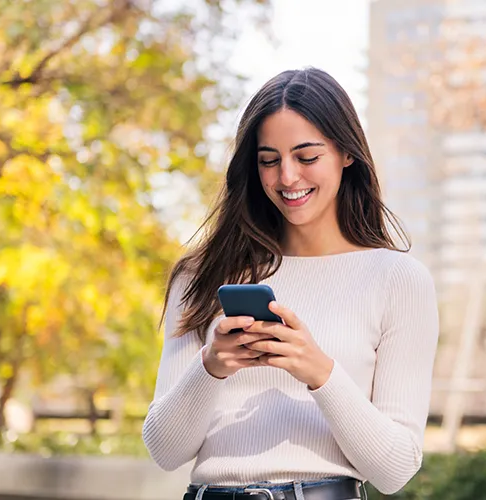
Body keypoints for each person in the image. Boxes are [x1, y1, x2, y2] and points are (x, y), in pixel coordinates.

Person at [142, 67, 439, 500]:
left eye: (307, 157)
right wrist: (211, 366)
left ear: (347, 153)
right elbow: (165, 451)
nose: (286, 178)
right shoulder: (201, 276)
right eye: (268, 160)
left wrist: (317, 371)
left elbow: (395, 469)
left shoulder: (398, 280)